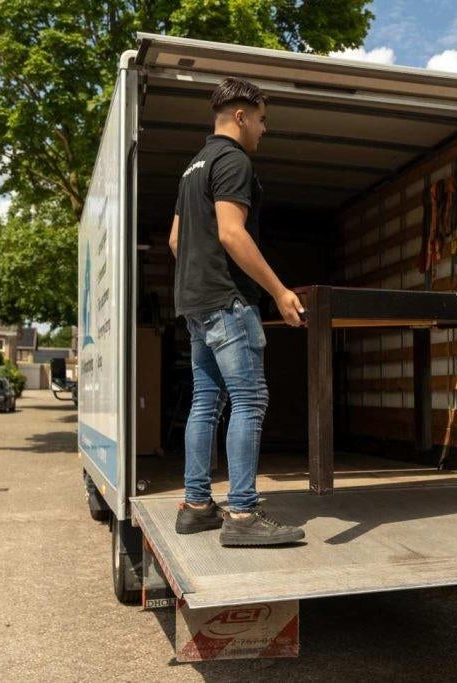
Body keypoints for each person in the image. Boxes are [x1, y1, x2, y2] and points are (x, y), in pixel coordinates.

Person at [168, 77, 306, 546]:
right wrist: (279, 290)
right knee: (250, 400)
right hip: (227, 302)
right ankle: (243, 515)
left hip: (194, 304)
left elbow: (175, 241)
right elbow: (231, 233)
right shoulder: (233, 160)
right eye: (262, 119)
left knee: (206, 402)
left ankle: (197, 505)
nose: (264, 130)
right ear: (242, 116)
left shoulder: (193, 166)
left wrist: (199, 280)